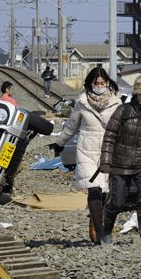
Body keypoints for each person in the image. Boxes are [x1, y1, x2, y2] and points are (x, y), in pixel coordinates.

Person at [47, 67, 121, 245]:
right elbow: (71, 127)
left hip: (108, 152)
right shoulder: (82, 102)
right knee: (93, 189)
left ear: (108, 83)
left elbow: (122, 128)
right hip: (86, 151)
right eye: (96, 83)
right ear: (90, 84)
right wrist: (60, 143)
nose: (100, 86)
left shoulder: (116, 103)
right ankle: (100, 231)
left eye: (103, 83)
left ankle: (95, 220)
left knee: (105, 192)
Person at [100, 73, 141, 244]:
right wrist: (105, 161)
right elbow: (109, 137)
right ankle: (106, 231)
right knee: (117, 201)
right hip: (119, 165)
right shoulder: (122, 110)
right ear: (136, 94)